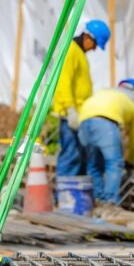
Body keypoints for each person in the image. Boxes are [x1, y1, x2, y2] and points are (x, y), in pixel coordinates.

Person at [52, 19, 110, 177]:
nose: (94, 49)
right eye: (95, 44)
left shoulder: (79, 53)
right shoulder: (71, 50)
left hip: (79, 115)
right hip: (70, 115)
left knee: (80, 157)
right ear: (88, 37)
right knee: (71, 155)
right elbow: (63, 81)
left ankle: (73, 190)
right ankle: (65, 191)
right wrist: (70, 109)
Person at [77, 79, 134, 205]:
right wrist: (131, 161)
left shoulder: (106, 92)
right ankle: (110, 201)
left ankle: (97, 199)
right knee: (114, 163)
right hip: (105, 124)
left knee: (93, 165)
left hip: (83, 121)